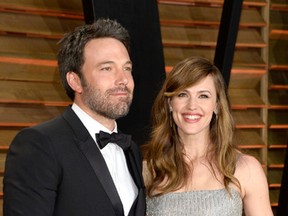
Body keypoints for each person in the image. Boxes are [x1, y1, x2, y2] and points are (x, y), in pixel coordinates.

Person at [3, 18, 145, 216]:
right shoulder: (39, 144)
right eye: (107, 68)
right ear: (75, 81)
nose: (123, 80)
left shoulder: (132, 150)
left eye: (127, 68)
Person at [141, 57, 273, 216]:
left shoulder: (246, 168)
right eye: (183, 94)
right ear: (170, 103)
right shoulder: (149, 169)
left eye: (203, 96)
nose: (192, 106)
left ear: (217, 105)